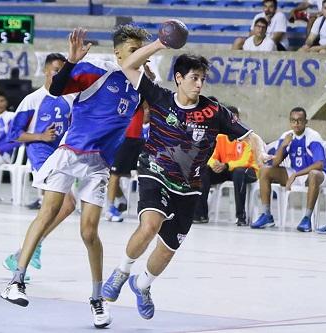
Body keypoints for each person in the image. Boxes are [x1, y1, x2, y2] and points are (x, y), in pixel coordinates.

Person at [101, 38, 269, 320]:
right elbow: (129, 64)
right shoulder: (159, 97)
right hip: (155, 170)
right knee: (150, 225)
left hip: (189, 186)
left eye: (203, 78)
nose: (199, 84)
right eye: (194, 78)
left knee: (167, 250)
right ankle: (122, 271)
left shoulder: (213, 112)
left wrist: (260, 153)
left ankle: (142, 286)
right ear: (179, 78)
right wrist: (158, 43)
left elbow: (250, 136)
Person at [0, 26, 150, 329]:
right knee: (49, 211)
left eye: (142, 51)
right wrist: (70, 60)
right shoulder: (97, 70)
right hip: (69, 153)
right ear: (119, 52)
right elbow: (56, 89)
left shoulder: (142, 86)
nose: (140, 57)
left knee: (89, 232)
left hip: (97, 164)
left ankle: (97, 299)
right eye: (134, 51)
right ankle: (16, 282)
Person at [2, 53, 75, 276]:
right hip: (41, 153)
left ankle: (25, 251)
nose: (59, 74)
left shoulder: (72, 98)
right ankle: (25, 258)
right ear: (45, 71)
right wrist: (41, 137)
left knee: (68, 205)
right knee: (59, 205)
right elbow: (14, 135)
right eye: (55, 69)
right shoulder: (33, 99)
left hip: (62, 155)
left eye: (63, 71)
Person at [251, 107, 326, 232]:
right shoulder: (287, 136)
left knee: (314, 174)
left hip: (318, 175)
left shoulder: (313, 136)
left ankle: (307, 219)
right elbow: (275, 163)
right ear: (290, 122)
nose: (296, 124)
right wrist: (283, 145)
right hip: (295, 173)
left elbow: (320, 164)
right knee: (265, 171)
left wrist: (295, 175)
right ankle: (267, 216)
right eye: (293, 121)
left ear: (306, 121)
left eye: (299, 121)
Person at [193, 106, 259, 226]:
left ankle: (241, 217)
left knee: (239, 172)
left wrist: (227, 165)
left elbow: (246, 160)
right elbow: (209, 155)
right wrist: (214, 164)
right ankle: (200, 214)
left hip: (248, 171)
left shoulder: (247, 136)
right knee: (203, 171)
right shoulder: (219, 137)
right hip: (226, 169)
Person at [105, 102, 149, 222]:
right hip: (122, 137)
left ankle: (118, 203)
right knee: (113, 173)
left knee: (120, 174)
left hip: (136, 138)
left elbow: (147, 109)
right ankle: (111, 207)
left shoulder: (141, 94)